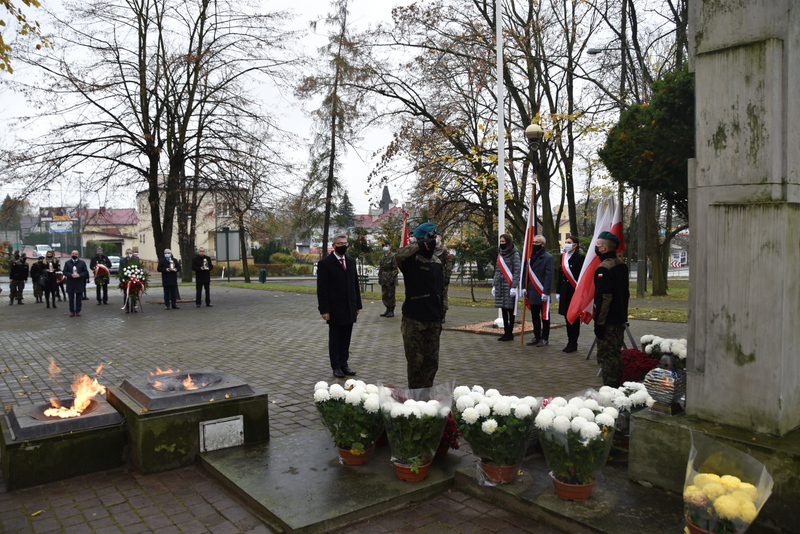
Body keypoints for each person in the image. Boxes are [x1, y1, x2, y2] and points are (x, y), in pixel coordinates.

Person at [395, 222, 443, 389]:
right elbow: (398, 256)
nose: (432, 242)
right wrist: (419, 244)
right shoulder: (411, 260)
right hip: (414, 319)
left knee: (431, 362)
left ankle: (426, 396)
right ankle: (415, 399)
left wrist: (441, 312)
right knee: (416, 362)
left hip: (433, 318)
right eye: (429, 238)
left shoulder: (437, 261)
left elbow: (440, 289)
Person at [316, 234, 362, 378]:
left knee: (346, 337)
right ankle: (336, 366)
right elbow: (322, 289)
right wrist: (324, 310)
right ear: (334, 245)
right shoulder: (325, 263)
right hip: (334, 308)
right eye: (340, 243)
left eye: (345, 243)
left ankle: (344, 364)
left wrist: (357, 305)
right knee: (335, 338)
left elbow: (355, 284)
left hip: (349, 307)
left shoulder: (351, 261)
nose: (343, 246)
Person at [593, 231, 630, 388]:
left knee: (607, 356)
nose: (596, 247)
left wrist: (599, 323)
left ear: (603, 248)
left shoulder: (604, 268)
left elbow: (604, 297)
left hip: (608, 320)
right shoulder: (621, 265)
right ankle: (616, 385)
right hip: (619, 317)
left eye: (597, 245)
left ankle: (610, 388)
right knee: (616, 353)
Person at [524, 235, 554, 347]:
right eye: (533, 242)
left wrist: (546, 292)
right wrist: (524, 287)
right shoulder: (529, 257)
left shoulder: (548, 257)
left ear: (543, 244)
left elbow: (549, 276)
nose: (534, 244)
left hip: (542, 291)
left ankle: (544, 338)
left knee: (545, 317)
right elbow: (525, 274)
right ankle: (537, 336)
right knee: (534, 316)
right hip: (532, 291)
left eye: (537, 242)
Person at [557, 235, 586, 353]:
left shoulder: (580, 258)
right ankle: (569, 341)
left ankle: (574, 343)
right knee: (567, 317)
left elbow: (582, 276)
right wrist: (558, 291)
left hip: (574, 291)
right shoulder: (562, 257)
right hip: (564, 291)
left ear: (575, 245)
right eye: (566, 242)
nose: (567, 244)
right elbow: (560, 276)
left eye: (569, 242)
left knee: (574, 317)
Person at [492, 233, 521, 342]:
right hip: (500, 285)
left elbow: (517, 271)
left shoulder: (515, 254)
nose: (501, 244)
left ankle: (510, 333)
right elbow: (497, 270)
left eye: (503, 242)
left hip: (509, 285)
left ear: (508, 242)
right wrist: (494, 285)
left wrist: (514, 286)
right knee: (503, 309)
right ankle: (505, 332)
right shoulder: (500, 254)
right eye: (500, 241)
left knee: (510, 310)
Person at [433, 232, 453, 323]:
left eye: (436, 237)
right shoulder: (431, 249)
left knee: (443, 295)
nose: (435, 239)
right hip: (433, 275)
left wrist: (448, 276)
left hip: (442, 274)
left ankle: (443, 314)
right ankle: (435, 313)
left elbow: (448, 263)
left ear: (440, 238)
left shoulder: (444, 249)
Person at [63, 250, 89, 317]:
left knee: (79, 298)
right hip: (70, 282)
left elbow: (85, 272)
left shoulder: (82, 263)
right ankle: (72, 311)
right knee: (71, 298)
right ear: (71, 254)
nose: (74, 255)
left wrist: (79, 275)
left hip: (79, 282)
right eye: (73, 253)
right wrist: (70, 275)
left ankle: (78, 311)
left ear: (78, 255)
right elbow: (65, 272)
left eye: (76, 254)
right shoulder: (67, 263)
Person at [377, 241, 398, 317]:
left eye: (386, 245)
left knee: (391, 295)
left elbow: (395, 269)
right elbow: (381, 268)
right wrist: (379, 277)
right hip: (384, 278)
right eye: (384, 246)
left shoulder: (393, 256)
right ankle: (387, 309)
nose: (385, 247)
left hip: (390, 278)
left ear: (390, 246)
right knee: (384, 295)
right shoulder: (383, 257)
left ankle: (391, 310)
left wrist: (393, 278)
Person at [118, 248, 141, 313]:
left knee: (134, 294)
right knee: (126, 294)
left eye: (130, 253)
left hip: (134, 280)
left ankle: (133, 307)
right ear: (125, 254)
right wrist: (123, 278)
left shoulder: (136, 260)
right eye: (128, 253)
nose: (129, 255)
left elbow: (138, 269)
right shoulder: (122, 261)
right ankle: (127, 308)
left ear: (132, 253)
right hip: (126, 280)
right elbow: (120, 270)